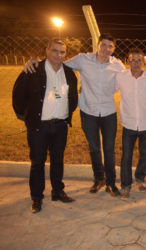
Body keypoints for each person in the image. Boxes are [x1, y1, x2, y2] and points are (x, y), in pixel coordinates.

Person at [24, 34, 125, 197]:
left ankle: (111, 183)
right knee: (94, 148)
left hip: (108, 112)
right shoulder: (83, 59)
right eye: (104, 45)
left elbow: (127, 80)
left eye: (110, 46)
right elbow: (59, 63)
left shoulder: (118, 65)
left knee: (108, 149)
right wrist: (34, 61)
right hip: (88, 112)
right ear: (98, 45)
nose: (107, 49)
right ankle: (99, 178)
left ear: (114, 49)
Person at [12, 39, 78, 213]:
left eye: (62, 52)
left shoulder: (69, 73)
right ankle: (36, 198)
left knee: (58, 160)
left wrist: (66, 116)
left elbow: (72, 98)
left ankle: (58, 191)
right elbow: (18, 95)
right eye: (55, 51)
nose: (59, 55)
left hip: (60, 125)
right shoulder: (34, 69)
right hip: (39, 127)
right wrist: (26, 116)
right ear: (47, 50)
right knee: (38, 162)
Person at [115, 49, 146, 200]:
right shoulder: (121, 77)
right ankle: (125, 185)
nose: (136, 63)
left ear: (143, 62)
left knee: (144, 155)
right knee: (126, 157)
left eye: (139, 60)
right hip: (129, 124)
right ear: (128, 61)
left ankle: (139, 179)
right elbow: (108, 89)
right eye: (133, 60)